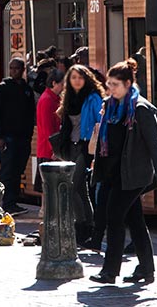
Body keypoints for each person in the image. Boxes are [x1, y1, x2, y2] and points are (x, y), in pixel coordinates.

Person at [89, 59, 157, 285]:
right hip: (113, 173)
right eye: (109, 84)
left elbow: (155, 144)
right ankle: (146, 269)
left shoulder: (141, 109)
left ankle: (109, 271)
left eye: (115, 84)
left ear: (128, 84)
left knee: (114, 218)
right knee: (134, 221)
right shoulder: (109, 105)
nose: (111, 89)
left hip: (133, 175)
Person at [57, 64, 105, 242]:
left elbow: (100, 122)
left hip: (87, 147)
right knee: (80, 189)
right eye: (73, 77)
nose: (77, 81)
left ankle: (83, 224)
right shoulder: (68, 98)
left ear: (87, 79)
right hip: (71, 146)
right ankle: (87, 226)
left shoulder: (93, 98)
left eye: (80, 77)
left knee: (74, 185)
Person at [0, 57, 35, 216]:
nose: (14, 71)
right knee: (8, 171)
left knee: (18, 170)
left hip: (23, 137)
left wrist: (29, 134)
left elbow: (30, 113)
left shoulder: (26, 89)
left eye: (17, 68)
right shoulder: (2, 88)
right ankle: (7, 203)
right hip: (8, 137)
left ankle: (13, 202)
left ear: (23, 70)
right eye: (12, 68)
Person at [35, 68, 64, 192]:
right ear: (54, 83)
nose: (63, 87)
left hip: (48, 150)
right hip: (49, 152)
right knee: (48, 188)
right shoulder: (47, 100)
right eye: (62, 84)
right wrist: (55, 150)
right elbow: (48, 129)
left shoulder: (50, 98)